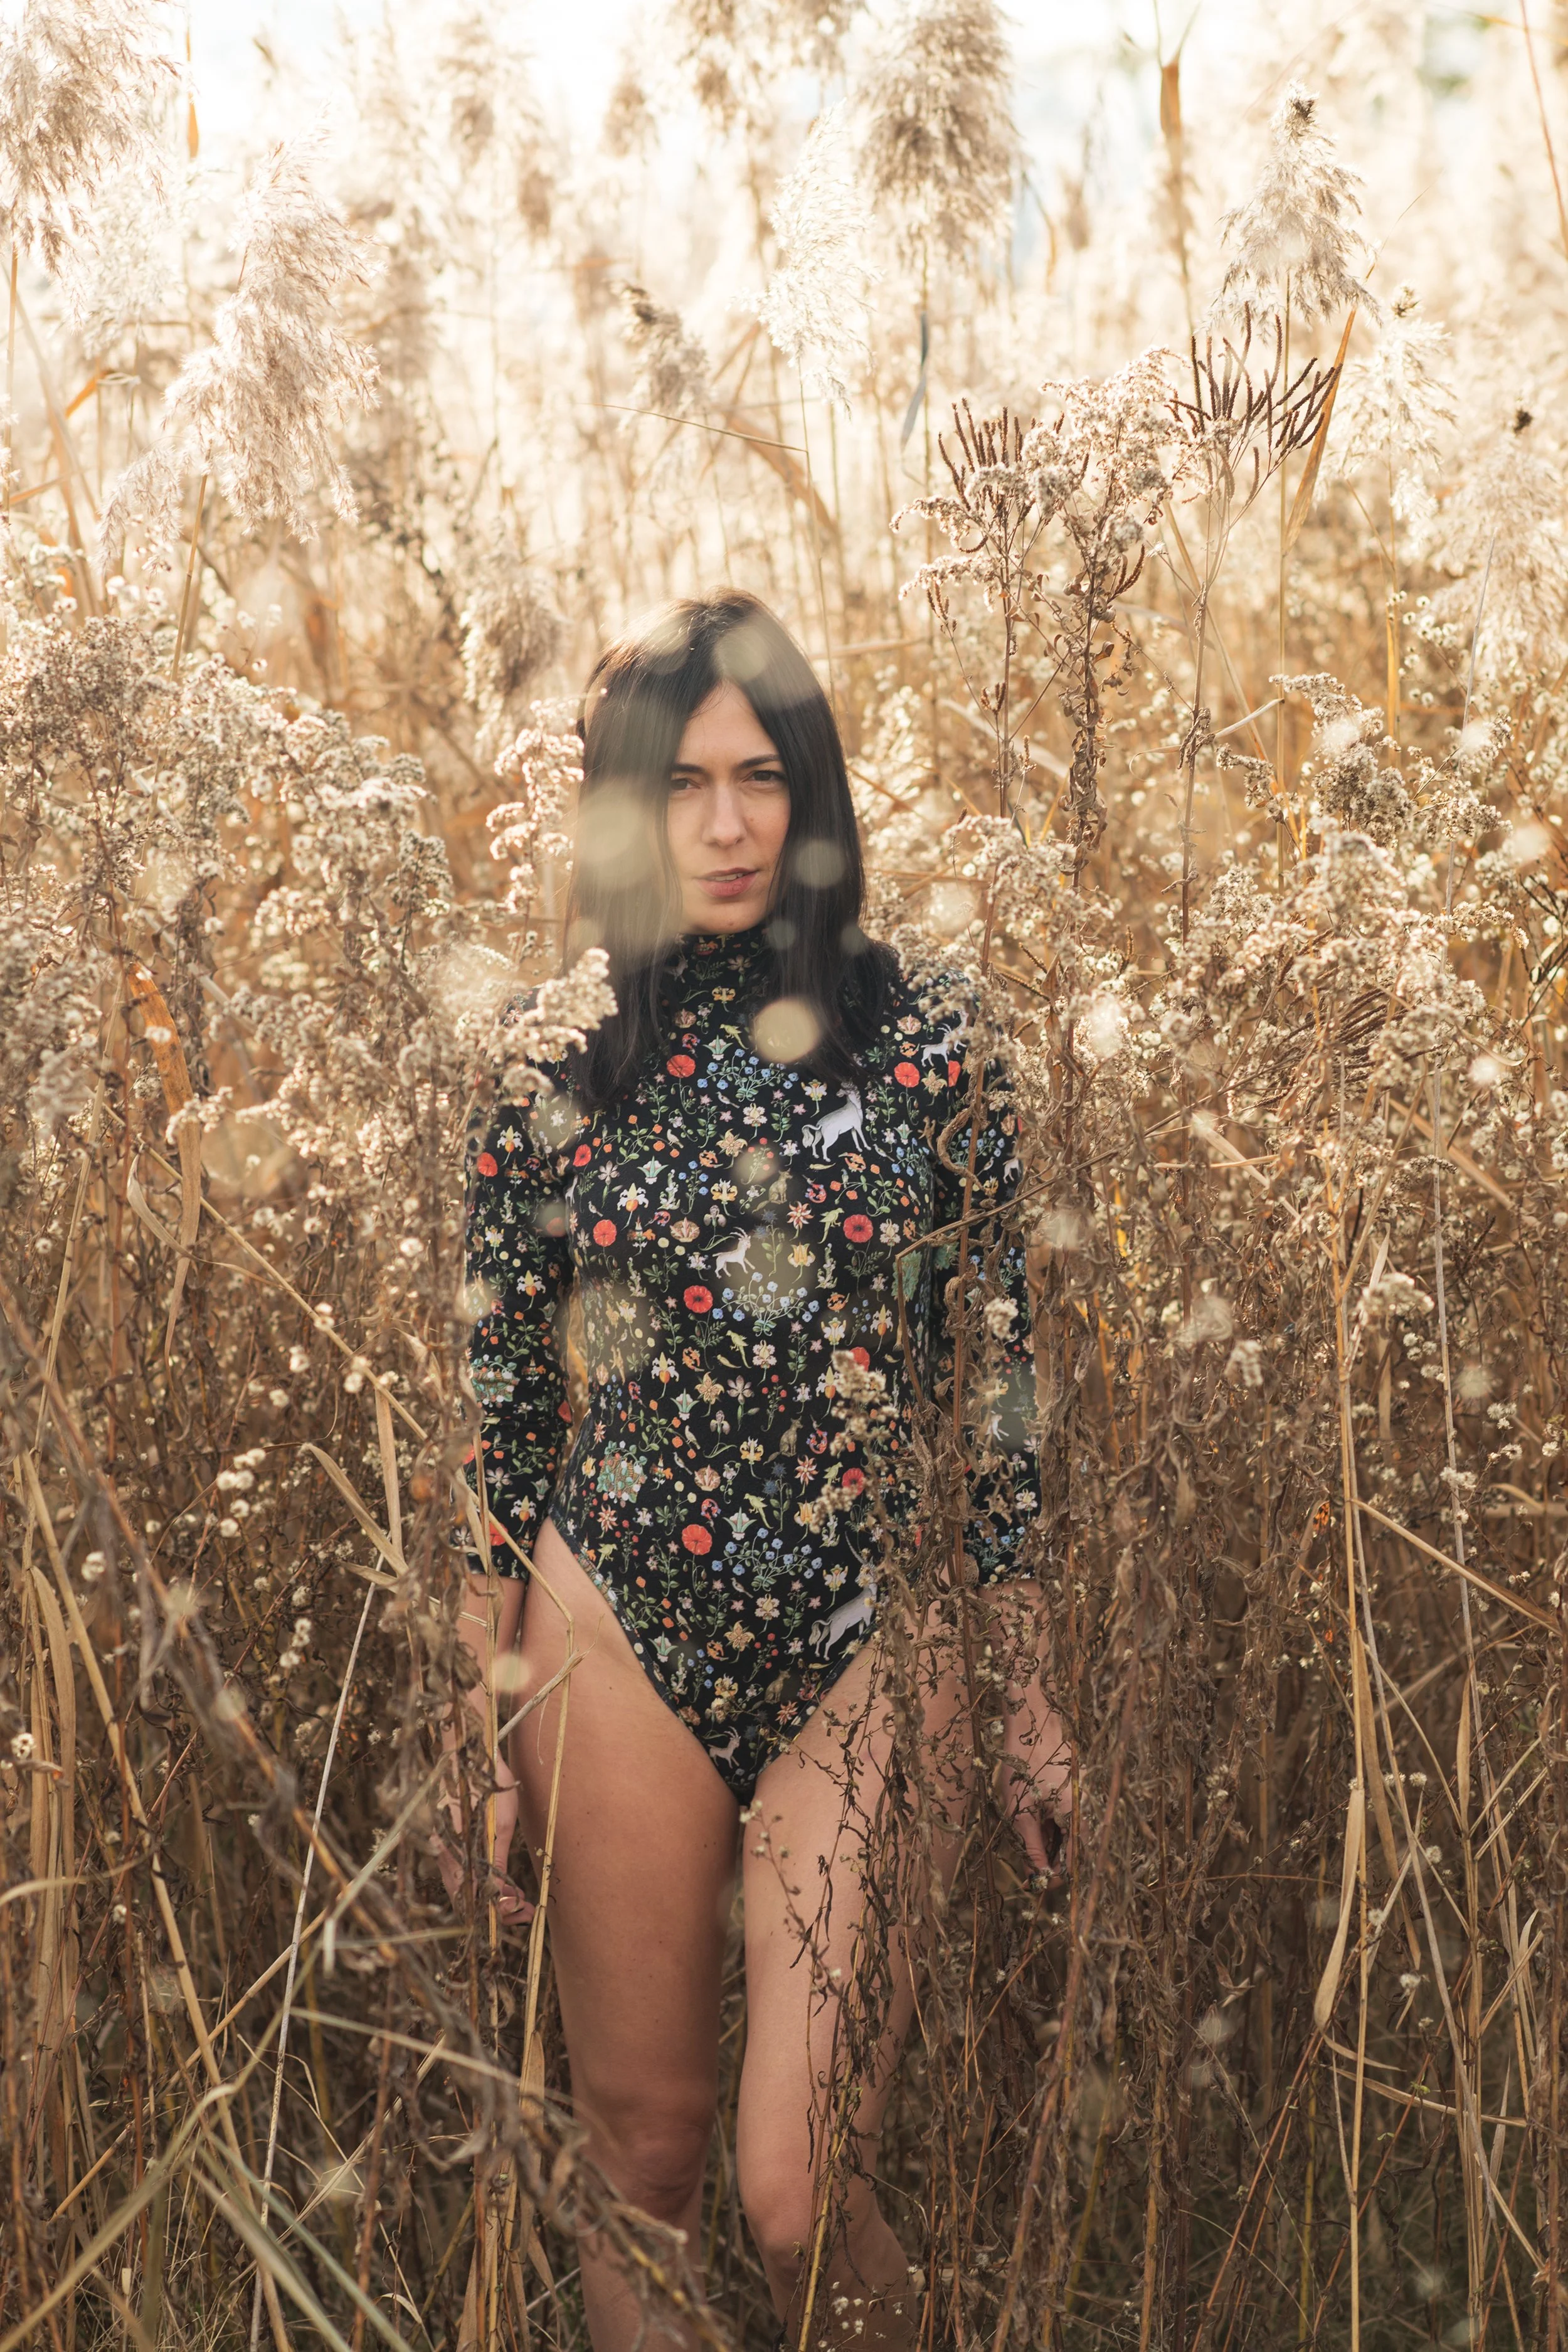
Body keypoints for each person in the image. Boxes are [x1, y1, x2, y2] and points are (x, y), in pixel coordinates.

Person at [446, 591, 1069, 2352]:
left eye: (763, 778)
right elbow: (503, 1414)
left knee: (797, 2181)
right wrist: (475, 1715)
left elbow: (997, 1390)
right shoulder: (553, 1054)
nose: (725, 825)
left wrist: (1023, 1677)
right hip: (611, 1630)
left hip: (865, 1635)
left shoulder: (930, 1039)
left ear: (813, 793)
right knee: (639, 2154)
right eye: (681, 784)